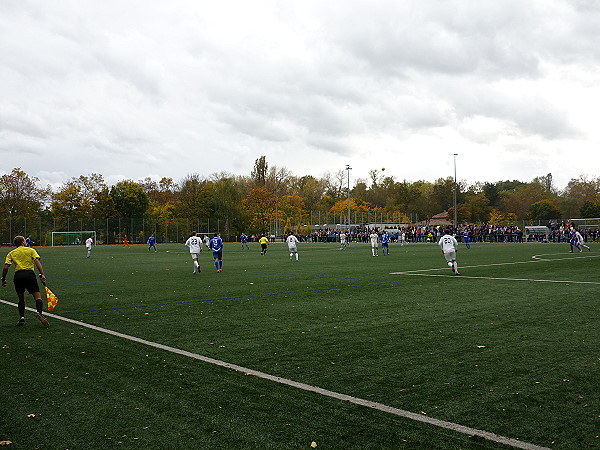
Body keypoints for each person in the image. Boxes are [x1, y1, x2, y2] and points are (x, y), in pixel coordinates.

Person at [2, 235, 49, 327]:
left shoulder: (11, 253)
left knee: (21, 298)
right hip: (29, 274)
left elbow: (6, 267)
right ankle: (40, 313)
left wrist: (3, 279)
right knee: (37, 296)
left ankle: (22, 317)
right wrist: (42, 274)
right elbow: (37, 261)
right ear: (23, 242)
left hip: (18, 276)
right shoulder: (30, 250)